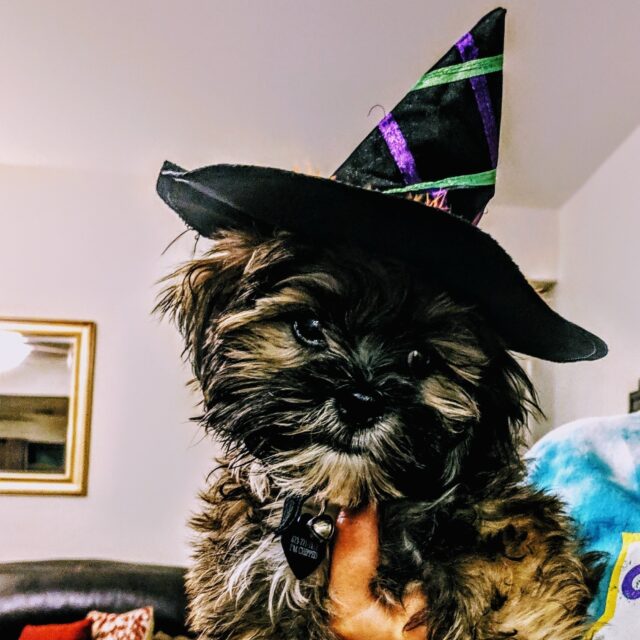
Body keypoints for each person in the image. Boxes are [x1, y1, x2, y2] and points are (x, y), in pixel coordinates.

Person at [329, 505, 427, 640]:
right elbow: (354, 522)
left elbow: (355, 524)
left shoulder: (356, 622)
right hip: (417, 505)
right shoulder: (353, 621)